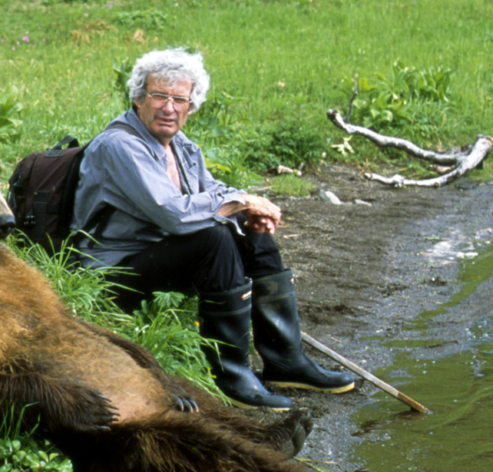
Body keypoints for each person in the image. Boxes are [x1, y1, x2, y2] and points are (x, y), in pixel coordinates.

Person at [70, 48, 354, 410]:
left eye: (179, 99)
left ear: (191, 106)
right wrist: (239, 202)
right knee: (214, 239)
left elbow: (213, 195)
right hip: (113, 273)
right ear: (139, 99)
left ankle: (287, 361)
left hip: (162, 255)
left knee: (249, 233)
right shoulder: (120, 145)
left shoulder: (182, 146)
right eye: (159, 96)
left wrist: (246, 214)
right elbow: (173, 214)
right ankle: (231, 375)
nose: (168, 108)